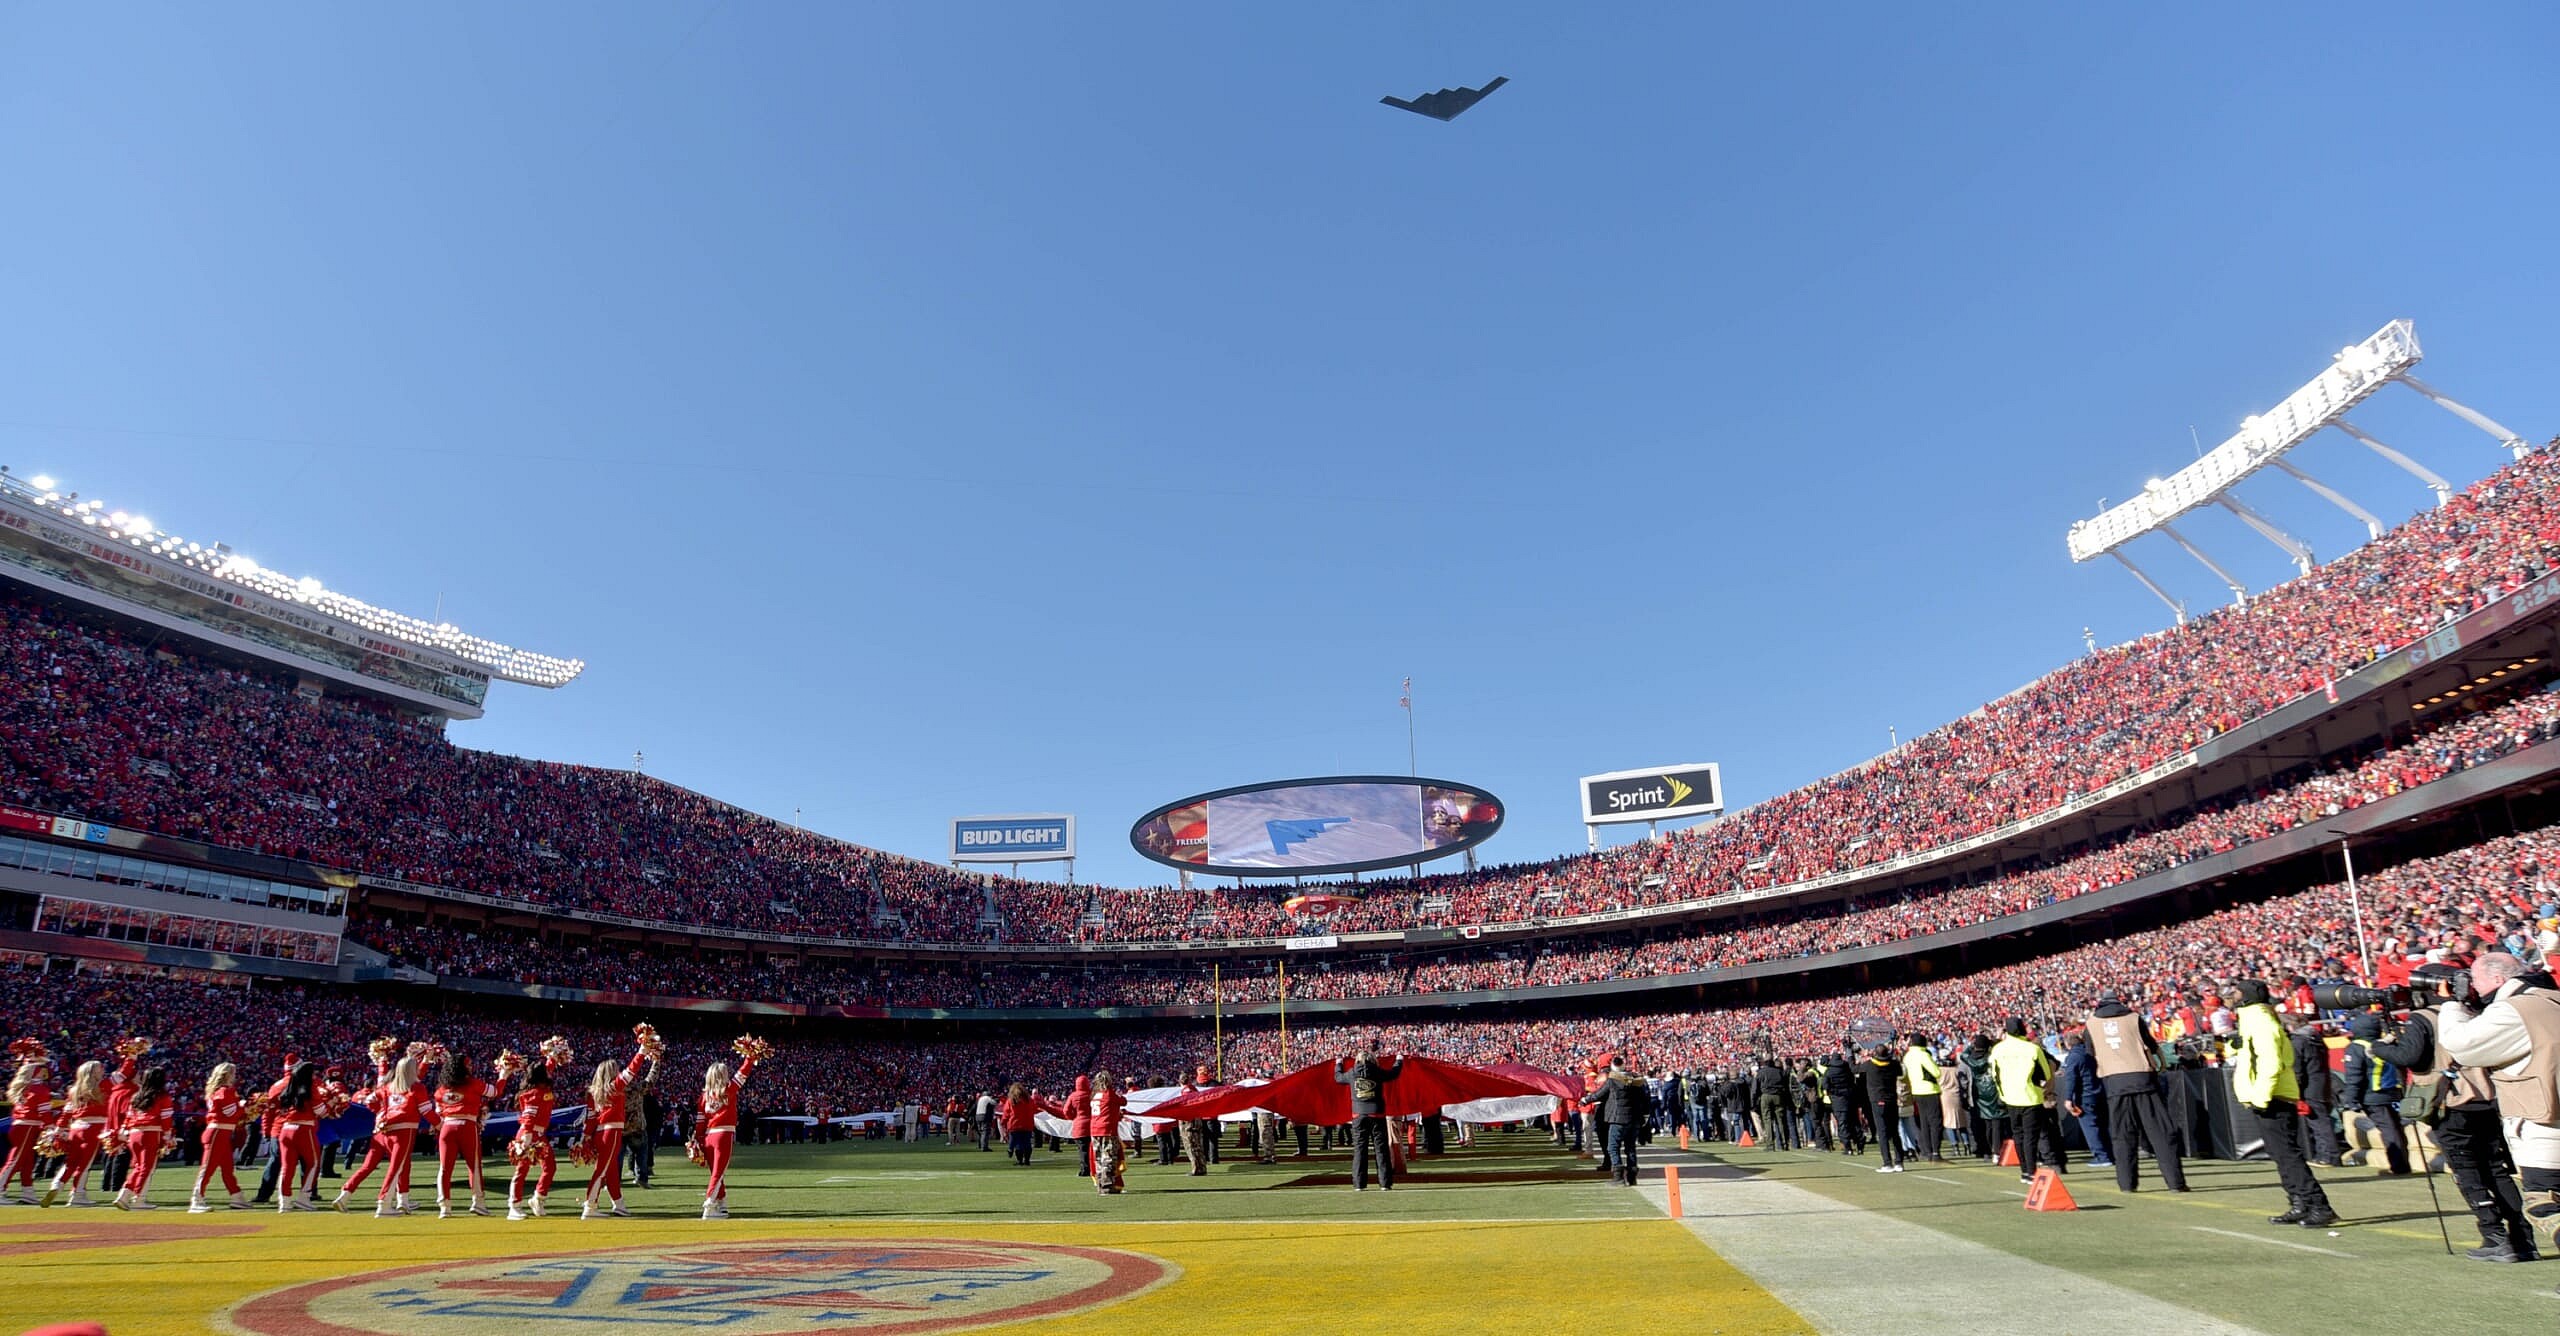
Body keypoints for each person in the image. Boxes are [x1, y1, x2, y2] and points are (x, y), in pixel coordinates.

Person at [2370, 966, 2535, 1261]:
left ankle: (2494, 1237)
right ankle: (2524, 1239)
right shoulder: (2476, 1012)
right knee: (2496, 1170)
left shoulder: (2424, 1018)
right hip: (2486, 1099)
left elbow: (2410, 1057)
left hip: (2451, 1102)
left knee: (2467, 1171)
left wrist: (2381, 1048)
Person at [2437, 951, 2560, 1265]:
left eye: (2475, 981)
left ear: (2497, 978)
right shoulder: (2550, 999)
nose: (2474, 988)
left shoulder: (2516, 1010)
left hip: (2543, 1120)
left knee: (2544, 1203)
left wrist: (2452, 1004)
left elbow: (2463, 1045)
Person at [2228, 979, 2337, 1228]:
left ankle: (2318, 1205)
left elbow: (2271, 1062)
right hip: (2268, 1094)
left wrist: (2262, 1095)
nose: (2232, 996)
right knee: (2280, 1154)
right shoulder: (2254, 1019)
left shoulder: (2261, 1021)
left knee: (2287, 1154)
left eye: (2236, 992)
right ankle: (2299, 1202)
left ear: (2246, 996)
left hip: (2272, 1096)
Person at [2082, 994, 2188, 1193]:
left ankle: (2127, 1184)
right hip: (2142, 1078)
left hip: (2113, 1081)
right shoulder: (2133, 1018)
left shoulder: (2091, 1024)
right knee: (2161, 1133)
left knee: (2122, 1135)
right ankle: (2175, 1183)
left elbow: (2090, 1054)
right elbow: (2151, 1044)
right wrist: (2161, 1065)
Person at [336, 1053, 429, 1218]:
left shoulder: (386, 1087)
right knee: (397, 1167)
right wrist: (440, 1125)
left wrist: (380, 1114)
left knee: (373, 1166)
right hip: (402, 1132)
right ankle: (384, 1203)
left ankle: (345, 1194)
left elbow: (369, 1101)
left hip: (381, 1131)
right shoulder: (415, 1087)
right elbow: (426, 1111)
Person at [579, 1042, 653, 1220]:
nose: (619, 1072)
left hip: (600, 1132)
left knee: (611, 1170)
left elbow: (590, 1119)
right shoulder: (614, 1087)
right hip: (610, 1132)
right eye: (616, 1070)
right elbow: (631, 1071)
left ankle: (618, 1204)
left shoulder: (594, 1093)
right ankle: (590, 1205)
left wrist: (586, 1137)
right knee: (602, 1170)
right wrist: (641, 1051)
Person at [1988, 1018, 2063, 1182]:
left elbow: (1995, 1075)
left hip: (2010, 1097)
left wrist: (2002, 1093)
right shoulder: (2032, 1049)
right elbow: (2046, 1073)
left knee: (2018, 1135)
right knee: (2031, 1136)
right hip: (2030, 1096)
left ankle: (2024, 1171)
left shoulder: (1998, 1049)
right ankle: (2030, 1170)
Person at [2340, 1013, 2411, 1175]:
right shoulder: (2383, 1044)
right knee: (2396, 1129)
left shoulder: (2357, 1047)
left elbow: (2354, 1077)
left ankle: (2399, 1167)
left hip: (2373, 1096)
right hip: (2392, 1092)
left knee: (2389, 1132)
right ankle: (2402, 1164)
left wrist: (2351, 1100)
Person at [37, 1060, 108, 1208]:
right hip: (94, 1127)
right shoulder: (103, 1085)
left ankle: (57, 1184)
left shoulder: (73, 1090)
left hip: (76, 1127)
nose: (103, 1070)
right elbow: (123, 1074)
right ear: (93, 1072)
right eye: (100, 1068)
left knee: (71, 1161)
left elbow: (66, 1113)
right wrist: (132, 1054)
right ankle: (78, 1194)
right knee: (84, 1164)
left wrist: (59, 1129)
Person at [697, 1051, 757, 1220]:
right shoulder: (729, 1089)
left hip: (708, 1136)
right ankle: (709, 1205)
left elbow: (700, 1121)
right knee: (718, 1171)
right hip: (723, 1134)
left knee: (716, 1172)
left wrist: (698, 1139)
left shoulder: (703, 1096)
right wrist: (750, 1058)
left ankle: (722, 1204)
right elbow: (743, 1073)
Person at [1335, 1045, 1402, 1191]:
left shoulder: (1352, 1073)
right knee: (1381, 1149)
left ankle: (1359, 1184)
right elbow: (1393, 1074)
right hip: (1377, 1114)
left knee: (1360, 1149)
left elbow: (1338, 1078)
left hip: (1358, 1115)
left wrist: (1338, 1063)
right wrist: (1399, 1060)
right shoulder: (1377, 1072)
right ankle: (1385, 1183)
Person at [433, 1051, 491, 1218]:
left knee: (444, 1168)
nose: (471, 1067)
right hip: (467, 1125)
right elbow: (495, 1092)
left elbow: (439, 1111)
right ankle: (478, 1202)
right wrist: (504, 1075)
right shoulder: (473, 1083)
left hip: (447, 1127)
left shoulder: (440, 1090)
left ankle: (444, 1207)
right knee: (474, 1166)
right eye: (469, 1065)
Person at [1582, 1057, 1652, 1187]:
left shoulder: (1613, 1080)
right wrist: (1645, 1116)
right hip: (1635, 1118)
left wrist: (1585, 1100)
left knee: (1613, 1147)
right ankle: (1632, 1177)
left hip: (1618, 1118)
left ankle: (1618, 1176)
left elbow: (1599, 1094)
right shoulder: (1637, 1080)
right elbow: (1645, 1098)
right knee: (1630, 1148)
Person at [506, 1054, 561, 1219]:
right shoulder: (533, 1094)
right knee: (522, 1170)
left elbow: (549, 1069)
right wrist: (527, 1139)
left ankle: (538, 1198)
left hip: (540, 1135)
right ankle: (514, 1205)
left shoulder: (543, 1089)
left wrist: (553, 1057)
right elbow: (529, 1117)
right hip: (528, 1134)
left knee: (550, 1166)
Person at [190, 1062, 249, 1212]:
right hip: (218, 1132)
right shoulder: (225, 1091)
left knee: (227, 1168)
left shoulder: (217, 1091)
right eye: (233, 1073)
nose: (234, 1077)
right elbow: (230, 1112)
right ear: (227, 1075)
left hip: (221, 1132)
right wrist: (243, 1106)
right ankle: (196, 1199)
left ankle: (236, 1196)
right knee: (208, 1168)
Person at [112, 1067, 173, 1210]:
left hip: (134, 1134)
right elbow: (166, 1119)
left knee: (139, 1167)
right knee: (146, 1167)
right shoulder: (163, 1096)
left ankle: (124, 1194)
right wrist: (168, 1136)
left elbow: (128, 1117)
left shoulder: (136, 1096)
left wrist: (124, 1131)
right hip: (151, 1133)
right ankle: (138, 1198)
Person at [270, 1061, 327, 1214]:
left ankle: (284, 1201)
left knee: (287, 1167)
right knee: (313, 1164)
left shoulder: (289, 1088)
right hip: (304, 1129)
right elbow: (320, 1110)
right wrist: (331, 1104)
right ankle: (304, 1197)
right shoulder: (310, 1088)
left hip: (285, 1130)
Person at [4, 1050, 56, 1205]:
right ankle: (1, 1189)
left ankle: (28, 1192)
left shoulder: (24, 1087)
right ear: (37, 1072)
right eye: (42, 1069)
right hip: (27, 1127)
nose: (44, 1071)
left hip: (20, 1126)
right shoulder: (40, 1089)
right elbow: (44, 1113)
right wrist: (51, 1128)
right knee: (15, 1161)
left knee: (27, 1162)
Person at [2293, 1021, 2344, 1166]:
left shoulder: (2299, 1042)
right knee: (2322, 1121)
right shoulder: (2316, 1040)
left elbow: (2298, 1069)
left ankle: (2329, 1156)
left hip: (2311, 1087)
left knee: (2319, 1123)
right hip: (2323, 1084)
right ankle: (2325, 1155)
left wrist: (2296, 1090)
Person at [2058, 1031, 2111, 1170]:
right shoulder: (2090, 1054)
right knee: (2102, 1126)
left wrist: (2068, 1098)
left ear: (2068, 1044)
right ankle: (2109, 1154)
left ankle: (2101, 1156)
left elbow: (2071, 1079)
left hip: (2085, 1095)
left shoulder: (2073, 1057)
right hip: (2098, 1092)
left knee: (2090, 1127)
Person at [1901, 1034, 1944, 1162]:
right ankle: (1936, 1151)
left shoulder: (1907, 1056)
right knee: (1935, 1122)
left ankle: (1927, 1151)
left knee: (1924, 1122)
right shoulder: (1923, 1055)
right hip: (1929, 1090)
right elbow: (1936, 1072)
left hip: (1916, 1090)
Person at [1862, 1043, 1904, 1172]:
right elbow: (1900, 1071)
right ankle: (1899, 1162)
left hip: (1877, 1101)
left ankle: (1887, 1163)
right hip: (1892, 1100)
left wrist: (1849, 1053)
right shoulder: (1893, 1064)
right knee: (1894, 1132)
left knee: (1883, 1133)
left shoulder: (1870, 1065)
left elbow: (1853, 1068)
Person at [1087, 1071, 1129, 1196]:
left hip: (1094, 1130)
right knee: (1109, 1158)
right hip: (1107, 1130)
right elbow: (1123, 1101)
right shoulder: (1110, 1094)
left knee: (1099, 1159)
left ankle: (1100, 1185)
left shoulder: (1095, 1096)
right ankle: (1107, 1186)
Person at [1753, 1054, 1794, 1151]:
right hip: (1778, 1096)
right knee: (1781, 1121)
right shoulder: (1780, 1072)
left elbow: (1755, 1089)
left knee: (1767, 1121)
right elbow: (1786, 1086)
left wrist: (1754, 1102)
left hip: (1765, 1096)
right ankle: (1785, 1144)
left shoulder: (1761, 1072)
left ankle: (1770, 1144)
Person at [998, 1083, 1039, 1166]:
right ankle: (1027, 1160)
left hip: (1014, 1125)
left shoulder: (1011, 1100)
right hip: (1027, 1124)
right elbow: (1034, 1110)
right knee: (1027, 1142)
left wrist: (1003, 1122)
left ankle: (1019, 1160)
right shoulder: (1029, 1100)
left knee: (1018, 1143)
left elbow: (1006, 1113)